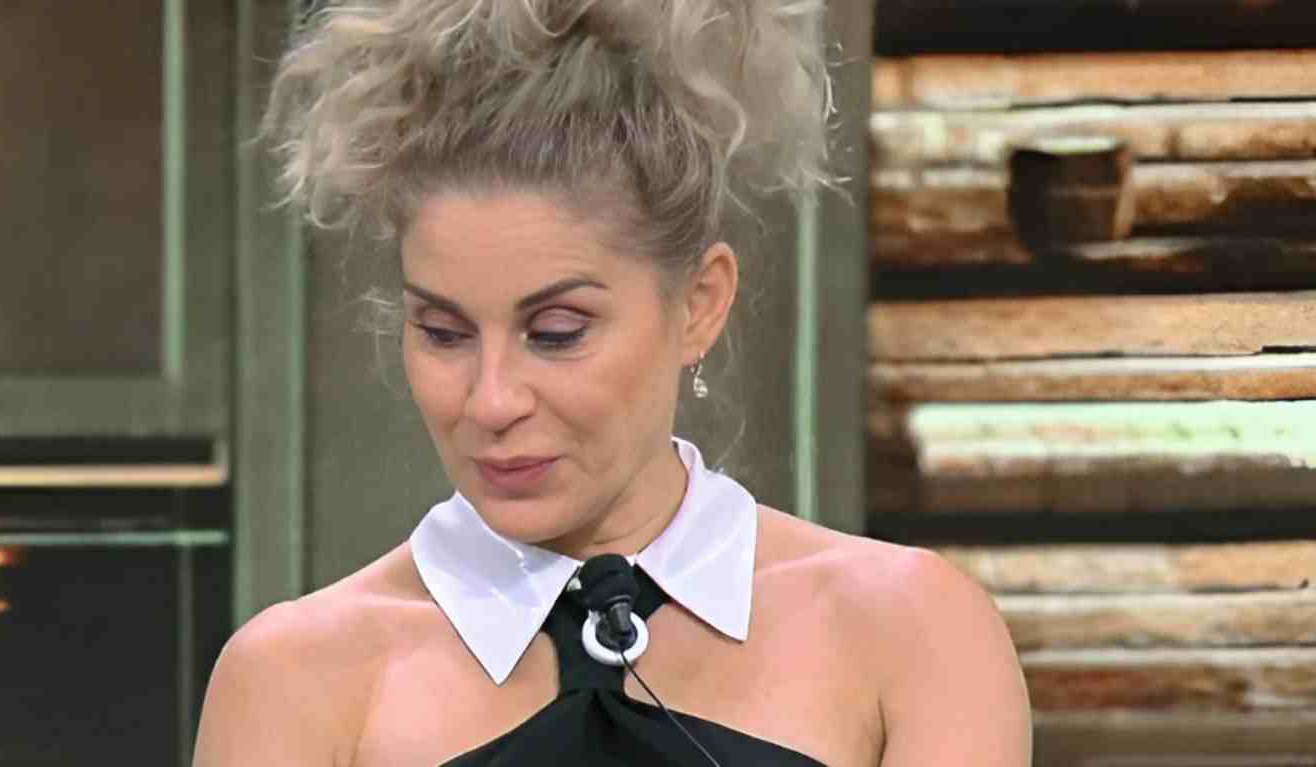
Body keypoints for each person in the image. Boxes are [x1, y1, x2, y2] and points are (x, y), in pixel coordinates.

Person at [193, 1, 1033, 765]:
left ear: (699, 304)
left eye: (557, 333)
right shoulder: (294, 678)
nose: (490, 401)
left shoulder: (911, 635)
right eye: (443, 333)